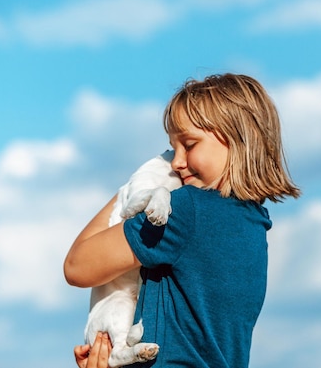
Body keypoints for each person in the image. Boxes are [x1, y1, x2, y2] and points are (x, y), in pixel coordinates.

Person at [64, 73, 301, 367]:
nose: (175, 162)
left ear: (237, 139)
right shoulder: (254, 225)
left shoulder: (187, 210)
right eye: (172, 149)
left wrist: (137, 182)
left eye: (189, 145)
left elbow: (77, 266)